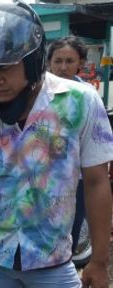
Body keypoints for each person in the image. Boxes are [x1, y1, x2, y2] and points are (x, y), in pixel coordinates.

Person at [0, 1, 113, 288]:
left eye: (4, 67)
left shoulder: (80, 102)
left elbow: (98, 182)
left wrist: (99, 260)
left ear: (32, 58)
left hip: (53, 259)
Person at [47, 35, 91, 258]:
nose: (63, 68)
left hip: (79, 181)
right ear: (49, 63)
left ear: (81, 63)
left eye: (69, 61)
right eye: (57, 61)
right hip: (45, 179)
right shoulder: (38, 95)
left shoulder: (88, 99)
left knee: (69, 235)